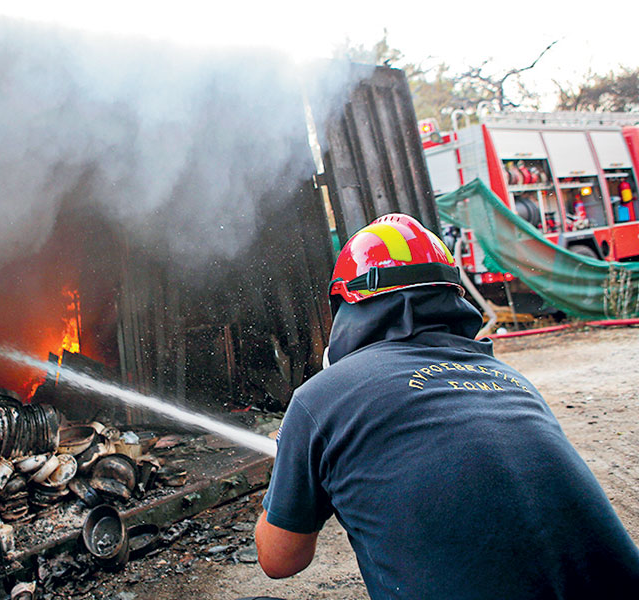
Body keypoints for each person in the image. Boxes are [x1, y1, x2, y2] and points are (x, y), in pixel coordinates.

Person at [252, 213, 639, 599]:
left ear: (347, 304)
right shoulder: (511, 379)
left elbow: (279, 560)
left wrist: (292, 465)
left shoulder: (322, 396)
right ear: (453, 298)